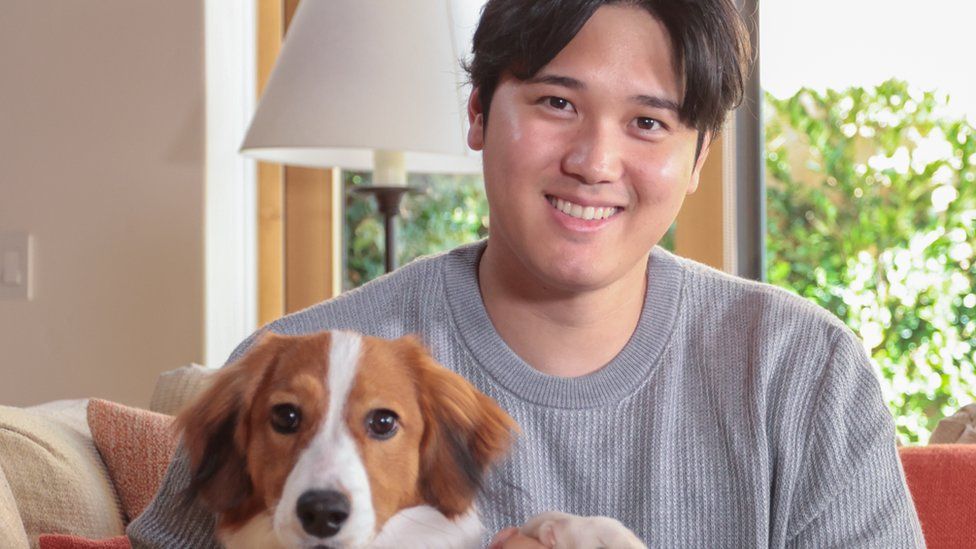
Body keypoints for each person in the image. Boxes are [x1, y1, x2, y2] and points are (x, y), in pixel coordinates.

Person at [129, 0, 925, 547]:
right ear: (477, 112)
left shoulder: (806, 371)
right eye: (555, 102)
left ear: (699, 160)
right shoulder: (288, 369)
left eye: (648, 122)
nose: (594, 161)